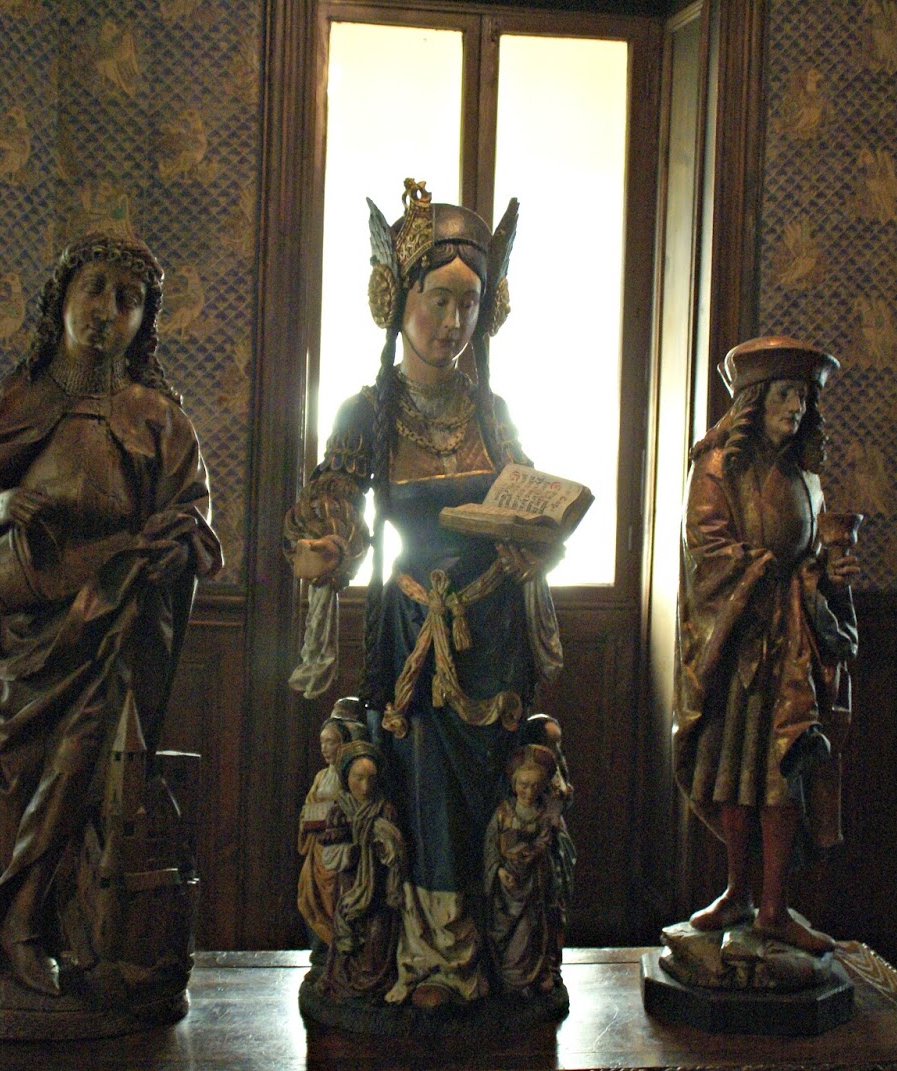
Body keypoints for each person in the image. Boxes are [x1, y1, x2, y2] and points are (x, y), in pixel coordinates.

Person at [284, 179, 563, 1008]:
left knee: (493, 786)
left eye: (469, 304)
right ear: (396, 298)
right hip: (414, 629)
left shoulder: (495, 412)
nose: (453, 322)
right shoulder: (367, 413)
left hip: (495, 626)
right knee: (427, 789)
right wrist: (326, 545)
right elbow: (333, 502)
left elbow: (528, 498)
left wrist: (539, 539)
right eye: (438, 299)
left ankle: (501, 947)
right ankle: (437, 958)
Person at [0, 233, 223, 997]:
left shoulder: (159, 417)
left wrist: (171, 546)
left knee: (83, 770)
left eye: (127, 299)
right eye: (93, 288)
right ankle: (1, 930)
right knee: (11, 775)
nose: (106, 310)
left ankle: (34, 927)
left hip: (113, 626)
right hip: (27, 631)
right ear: (61, 297)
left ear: (144, 320)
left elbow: (195, 518)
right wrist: (1, 504)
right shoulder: (20, 399)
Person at [674, 335, 858, 954]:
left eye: (803, 398)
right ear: (754, 400)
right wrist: (766, 574)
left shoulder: (805, 477)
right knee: (735, 771)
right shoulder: (717, 468)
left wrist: (829, 573)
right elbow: (707, 549)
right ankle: (737, 890)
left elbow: (813, 554)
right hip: (742, 643)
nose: (797, 408)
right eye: (785, 395)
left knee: (783, 773)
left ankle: (774, 905)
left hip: (794, 645)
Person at [318, 742, 407, 1001]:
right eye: (358, 778)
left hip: (379, 887)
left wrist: (385, 848)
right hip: (350, 884)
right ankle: (345, 981)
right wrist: (351, 853)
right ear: (347, 777)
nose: (365, 787)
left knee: (378, 936)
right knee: (349, 933)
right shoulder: (340, 811)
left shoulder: (385, 809)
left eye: (371, 779)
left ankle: (374, 982)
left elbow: (397, 849)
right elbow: (330, 854)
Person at [484, 744, 568, 995]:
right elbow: (491, 845)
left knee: (531, 927)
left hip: (534, 880)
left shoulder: (543, 813)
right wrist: (499, 871)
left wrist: (535, 852)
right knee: (506, 929)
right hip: (507, 883)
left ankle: (532, 974)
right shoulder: (503, 812)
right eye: (523, 785)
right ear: (514, 784)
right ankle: (509, 976)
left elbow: (545, 840)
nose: (528, 791)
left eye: (534, 786)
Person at [298, 700, 369, 948]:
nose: (325, 748)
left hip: (340, 849)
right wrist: (308, 819)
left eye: (331, 742)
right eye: (322, 742)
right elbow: (308, 808)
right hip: (317, 849)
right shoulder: (321, 777)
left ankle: (337, 948)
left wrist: (338, 816)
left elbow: (358, 808)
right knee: (310, 900)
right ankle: (321, 950)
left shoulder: (352, 775)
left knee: (337, 900)